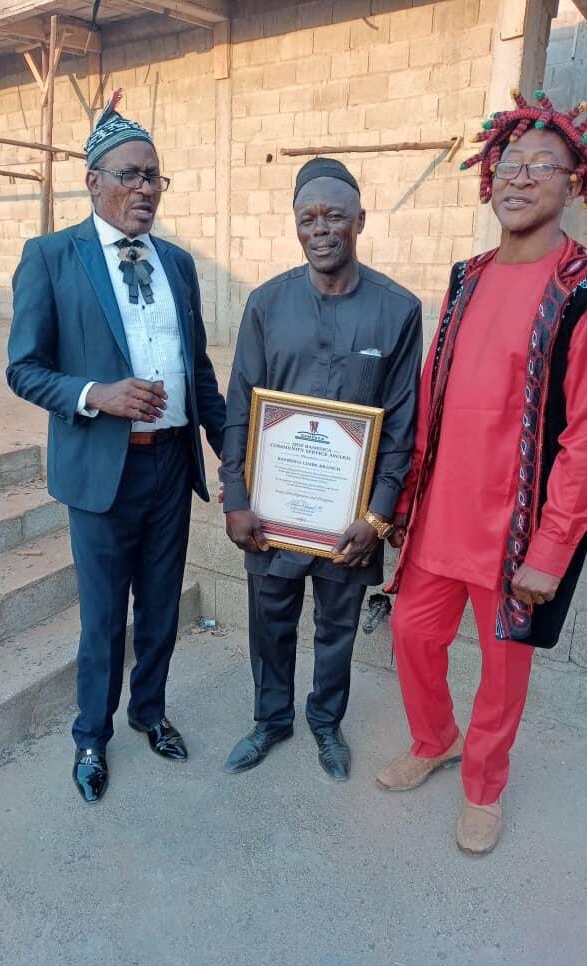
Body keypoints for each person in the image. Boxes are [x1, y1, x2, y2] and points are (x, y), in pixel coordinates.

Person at [377, 91, 587, 853]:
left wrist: (551, 549)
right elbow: (433, 392)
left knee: (501, 672)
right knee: (411, 635)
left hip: (515, 532)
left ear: (577, 182)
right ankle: (435, 740)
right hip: (441, 515)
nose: (520, 178)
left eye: (541, 166)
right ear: (490, 175)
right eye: (509, 162)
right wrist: (404, 499)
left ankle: (484, 786)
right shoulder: (468, 276)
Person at [6, 91, 225, 803]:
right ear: (93, 181)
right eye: (130, 175)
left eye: (154, 176)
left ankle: (149, 713)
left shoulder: (178, 264)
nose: (145, 189)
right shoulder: (51, 258)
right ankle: (90, 737)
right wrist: (95, 394)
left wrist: (231, 449)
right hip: (102, 472)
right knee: (104, 617)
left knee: (161, 606)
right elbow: (24, 368)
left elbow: (197, 369)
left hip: (170, 464)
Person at [220, 158, 422, 781]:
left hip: (348, 520)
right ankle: (270, 720)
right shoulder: (267, 303)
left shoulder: (398, 310)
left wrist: (377, 516)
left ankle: (326, 725)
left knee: (338, 627)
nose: (321, 229)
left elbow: (402, 422)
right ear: (295, 224)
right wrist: (235, 499)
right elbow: (239, 407)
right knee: (270, 621)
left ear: (361, 220)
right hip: (273, 511)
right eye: (308, 218)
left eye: (335, 216)